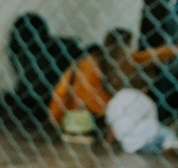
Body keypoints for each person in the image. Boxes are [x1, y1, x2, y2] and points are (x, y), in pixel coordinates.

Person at [49, 28, 178, 130]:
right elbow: (89, 97)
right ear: (121, 47)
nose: (133, 50)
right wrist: (116, 110)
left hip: (95, 113)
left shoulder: (121, 61)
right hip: (70, 112)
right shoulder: (90, 65)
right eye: (130, 46)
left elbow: (147, 56)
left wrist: (173, 50)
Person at [106, 67, 178, 153]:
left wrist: (109, 142)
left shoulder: (116, 99)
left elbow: (111, 125)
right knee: (165, 131)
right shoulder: (144, 99)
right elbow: (154, 121)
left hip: (128, 145)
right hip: (147, 139)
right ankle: (169, 143)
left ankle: (163, 146)